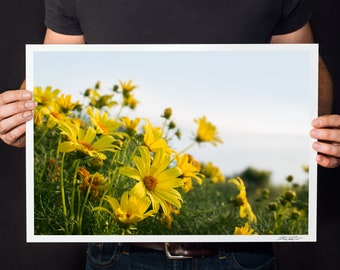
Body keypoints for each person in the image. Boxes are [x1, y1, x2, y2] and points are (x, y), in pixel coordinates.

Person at [0, 0, 339, 269]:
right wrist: (25, 117)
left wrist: (317, 128)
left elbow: (308, 65)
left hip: (239, 255)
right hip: (118, 254)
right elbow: (52, 70)